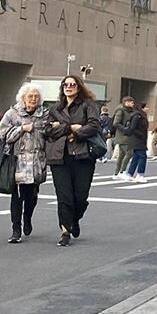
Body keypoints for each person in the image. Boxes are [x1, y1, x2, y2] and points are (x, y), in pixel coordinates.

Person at [46, 74, 102, 246]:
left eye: (72, 84)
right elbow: (48, 130)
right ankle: (65, 231)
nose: (68, 87)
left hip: (83, 156)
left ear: (79, 87)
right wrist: (70, 128)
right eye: (66, 85)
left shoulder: (88, 105)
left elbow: (93, 126)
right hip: (59, 157)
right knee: (64, 197)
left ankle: (74, 219)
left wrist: (75, 134)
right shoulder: (55, 108)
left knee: (80, 197)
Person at [0, 84, 49, 243]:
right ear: (23, 98)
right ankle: (16, 230)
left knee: (31, 196)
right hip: (17, 161)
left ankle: (27, 217)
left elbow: (50, 134)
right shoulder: (12, 114)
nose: (33, 99)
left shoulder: (45, 114)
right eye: (30, 96)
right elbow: (3, 135)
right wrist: (21, 129)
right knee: (17, 197)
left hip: (37, 161)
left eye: (36, 96)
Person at [121, 102, 149, 183]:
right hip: (138, 139)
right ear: (142, 108)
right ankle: (140, 174)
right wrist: (141, 134)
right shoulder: (138, 116)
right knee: (142, 156)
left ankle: (130, 173)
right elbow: (132, 128)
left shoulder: (136, 115)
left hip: (137, 139)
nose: (147, 109)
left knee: (136, 157)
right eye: (145, 107)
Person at [112, 95, 135, 176]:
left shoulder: (128, 111)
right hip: (123, 136)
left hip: (125, 136)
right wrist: (125, 129)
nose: (133, 104)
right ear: (126, 103)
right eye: (131, 102)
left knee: (121, 155)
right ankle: (122, 171)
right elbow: (116, 123)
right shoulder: (121, 111)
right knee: (129, 153)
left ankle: (117, 173)